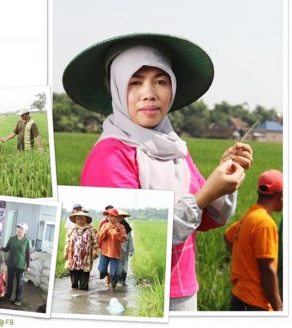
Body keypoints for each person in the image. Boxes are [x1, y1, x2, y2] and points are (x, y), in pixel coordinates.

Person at [62, 33, 253, 310]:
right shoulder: (111, 155)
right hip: (141, 292)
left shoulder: (175, 148)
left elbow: (207, 220)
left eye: (160, 81)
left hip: (183, 288)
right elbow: (135, 233)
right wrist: (204, 195)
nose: (149, 93)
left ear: (172, 88)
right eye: (135, 82)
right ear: (116, 88)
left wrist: (223, 176)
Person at [224, 169, 283, 311]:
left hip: (239, 297)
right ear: (280, 196)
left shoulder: (250, 215)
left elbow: (228, 236)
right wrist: (278, 308)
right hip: (256, 304)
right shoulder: (265, 223)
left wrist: (244, 262)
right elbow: (267, 269)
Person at [0, 222, 31, 306]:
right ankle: (8, 296)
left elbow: (28, 254)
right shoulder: (12, 239)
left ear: (25, 231)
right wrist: (0, 247)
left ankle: (18, 299)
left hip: (20, 265)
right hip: (11, 264)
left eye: (21, 229)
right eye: (18, 228)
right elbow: (6, 249)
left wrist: (28, 265)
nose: (19, 230)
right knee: (10, 281)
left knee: (19, 283)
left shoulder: (27, 241)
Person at [63, 212, 98, 290]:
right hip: (74, 257)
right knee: (74, 283)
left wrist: (95, 252)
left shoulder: (91, 230)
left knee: (84, 282)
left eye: (82, 219)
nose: (79, 221)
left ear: (85, 220)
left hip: (86, 257)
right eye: (78, 219)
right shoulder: (71, 230)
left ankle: (83, 293)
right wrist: (65, 252)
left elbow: (95, 242)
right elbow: (67, 242)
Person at [97, 207, 127, 290]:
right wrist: (105, 230)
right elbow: (100, 237)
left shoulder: (121, 227)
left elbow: (122, 240)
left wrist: (117, 232)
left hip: (115, 253)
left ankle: (113, 290)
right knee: (101, 270)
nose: (110, 218)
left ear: (117, 217)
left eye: (113, 216)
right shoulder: (104, 225)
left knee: (114, 273)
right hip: (105, 252)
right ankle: (108, 275)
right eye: (109, 216)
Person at [117, 209, 134, 286]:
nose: (119, 218)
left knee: (124, 265)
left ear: (123, 217)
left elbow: (130, 239)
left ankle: (123, 280)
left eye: (120, 217)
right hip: (115, 249)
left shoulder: (127, 226)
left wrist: (131, 250)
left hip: (124, 249)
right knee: (116, 265)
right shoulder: (112, 226)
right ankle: (117, 281)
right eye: (117, 217)